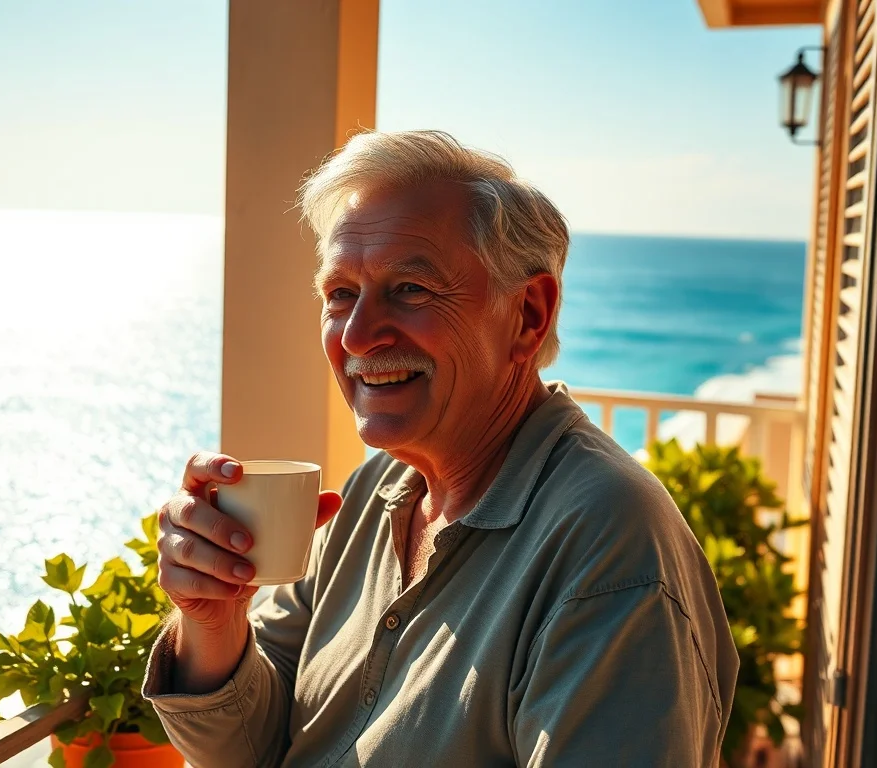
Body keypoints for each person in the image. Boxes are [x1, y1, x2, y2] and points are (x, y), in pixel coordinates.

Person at [143, 130, 738, 767]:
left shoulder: (609, 548)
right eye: (341, 294)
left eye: (411, 290)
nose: (360, 335)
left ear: (528, 316)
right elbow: (251, 750)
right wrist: (211, 620)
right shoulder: (375, 491)